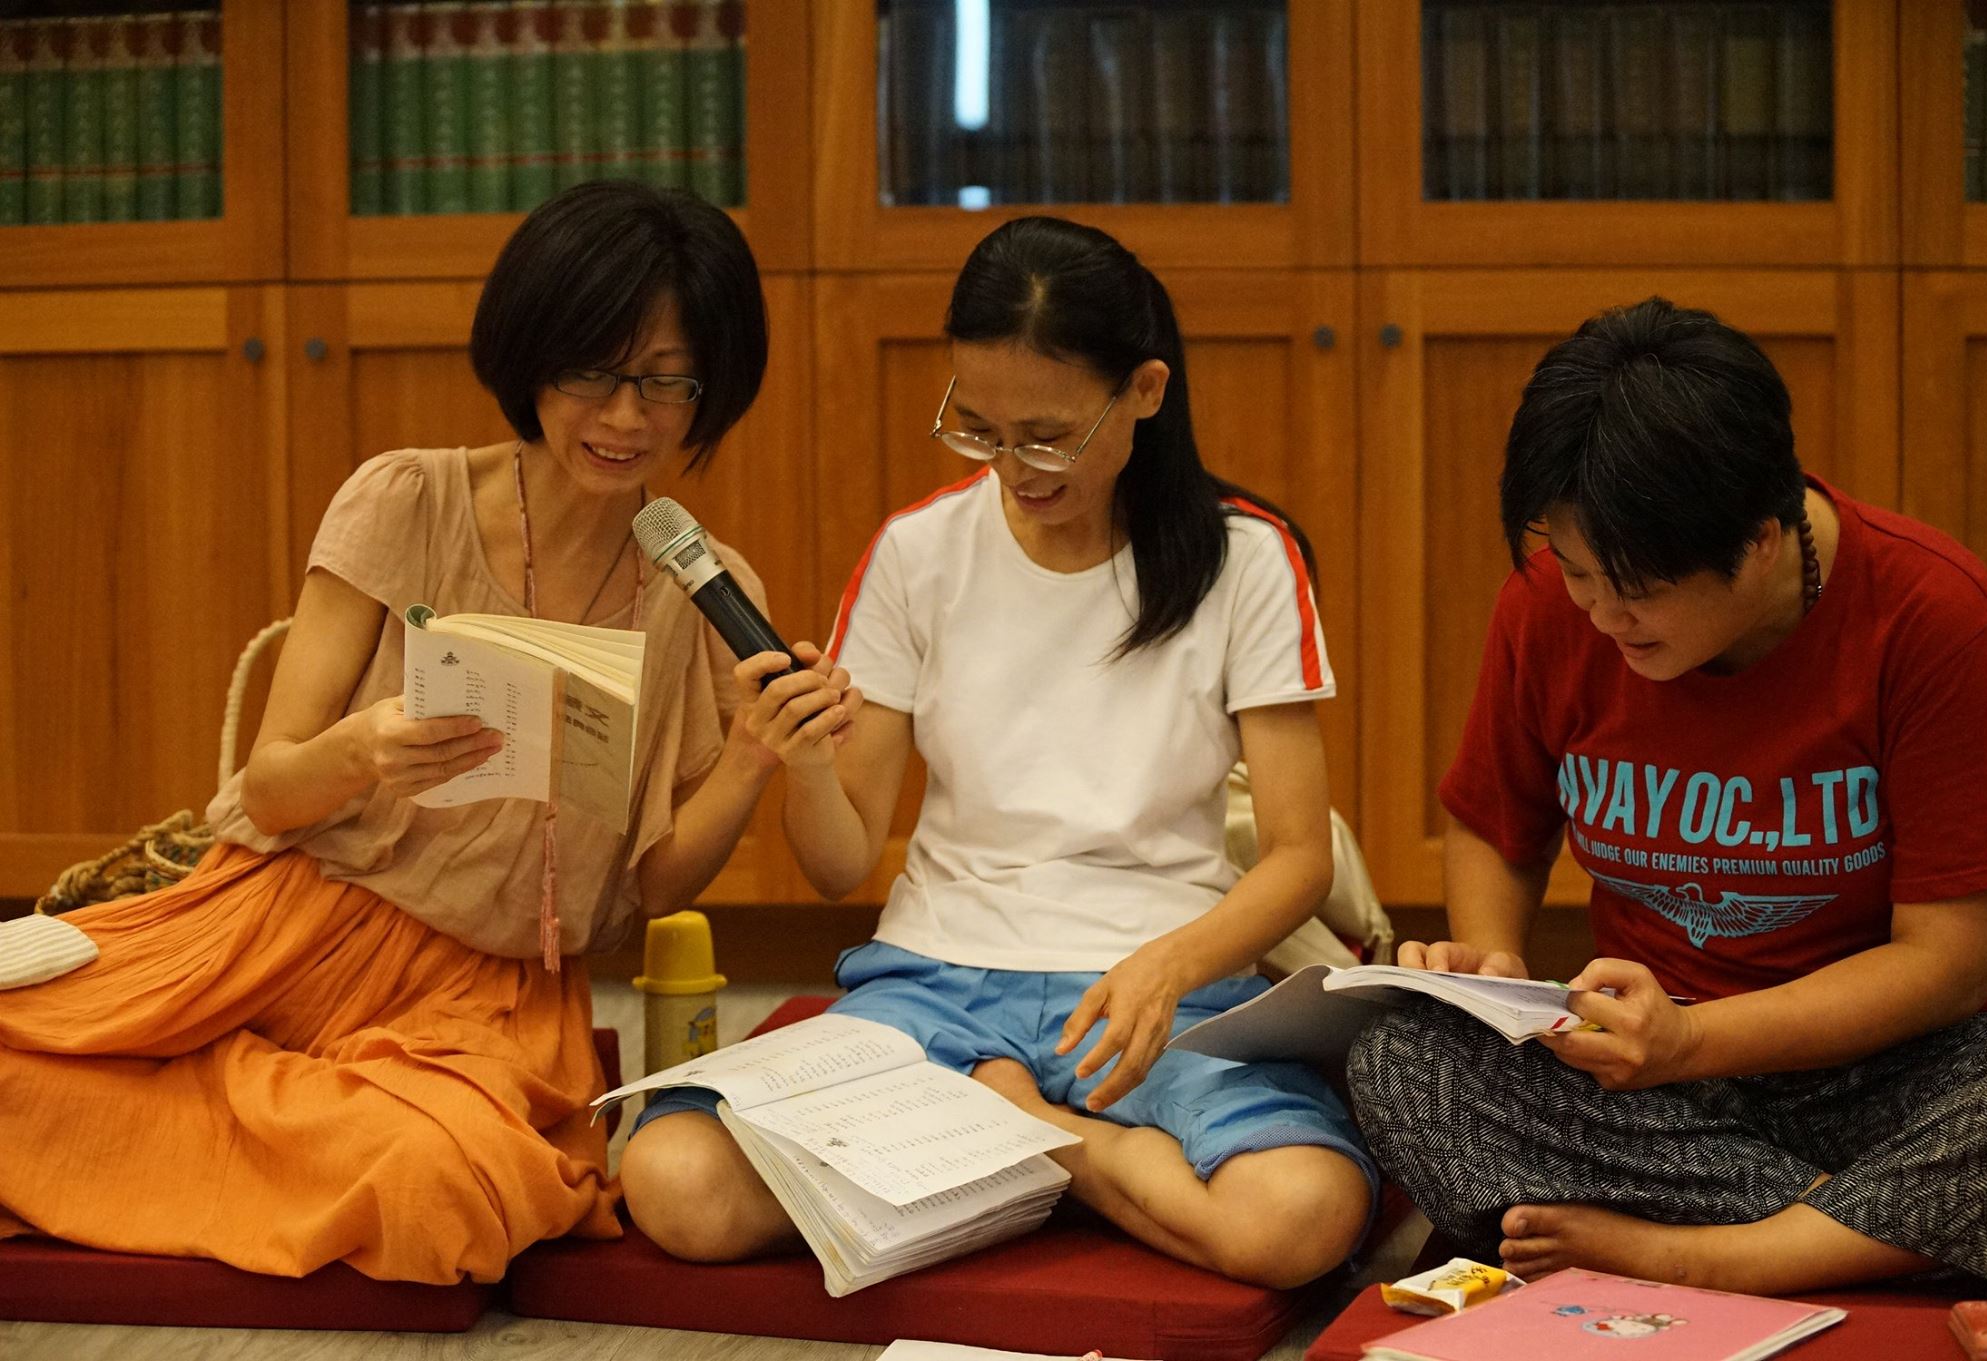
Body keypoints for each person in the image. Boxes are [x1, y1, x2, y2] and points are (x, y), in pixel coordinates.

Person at [0, 181, 839, 1284]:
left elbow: (652, 890)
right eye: (591, 372)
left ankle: (232, 1111)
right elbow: (271, 786)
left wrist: (749, 758)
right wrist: (366, 748)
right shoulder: (405, 499)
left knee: (435, 1185)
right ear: (530, 356)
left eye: (665, 381)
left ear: (709, 386)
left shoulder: (706, 590)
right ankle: (245, 1099)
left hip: (487, 992)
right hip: (282, 928)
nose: (625, 418)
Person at [621, 216, 1376, 1288]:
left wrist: (1168, 964)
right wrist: (801, 758)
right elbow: (840, 864)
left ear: (1145, 391)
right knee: (674, 1178)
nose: (1014, 469)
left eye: (1048, 435)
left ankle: (1013, 1135)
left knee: (1300, 1214)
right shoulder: (917, 552)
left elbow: (1297, 854)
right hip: (935, 985)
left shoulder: (1245, 558)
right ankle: (1075, 1158)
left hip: (1149, 982)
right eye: (978, 429)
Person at [1347, 297, 1987, 1298]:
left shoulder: (1938, 623)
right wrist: (1495, 974)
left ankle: (1708, 1252)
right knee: (1404, 1061)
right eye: (1577, 572)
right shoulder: (1551, 606)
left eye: (1635, 590)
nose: (1600, 615)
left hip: (1902, 1065)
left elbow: (1949, 965)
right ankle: (1874, 1234)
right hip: (1658, 1078)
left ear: (1759, 539)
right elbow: (1494, 825)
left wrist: (1695, 1042)